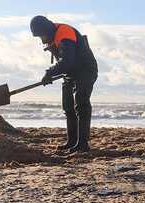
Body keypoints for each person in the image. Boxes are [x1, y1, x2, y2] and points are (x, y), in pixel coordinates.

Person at [30, 15, 98, 153]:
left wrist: (50, 73)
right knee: (68, 106)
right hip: (70, 73)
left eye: (42, 35)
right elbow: (66, 64)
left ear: (47, 29)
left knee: (81, 104)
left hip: (86, 70)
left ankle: (83, 144)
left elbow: (67, 61)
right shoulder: (52, 35)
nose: (42, 40)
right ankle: (72, 141)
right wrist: (52, 73)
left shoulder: (64, 33)